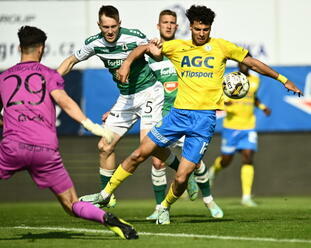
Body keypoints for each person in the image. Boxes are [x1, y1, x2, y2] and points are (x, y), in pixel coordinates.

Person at [90, 5, 302, 224]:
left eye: (206, 29)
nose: (202, 33)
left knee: (182, 177)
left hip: (203, 122)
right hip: (177, 116)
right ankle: (104, 195)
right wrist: (128, 63)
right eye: (198, 29)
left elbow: (251, 63)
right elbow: (143, 49)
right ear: (190, 27)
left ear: (210, 29)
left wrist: (283, 79)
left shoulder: (221, 47)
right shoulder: (177, 47)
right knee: (139, 154)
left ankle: (164, 206)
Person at [0, 26, 138, 240]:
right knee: (72, 203)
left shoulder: (4, 78)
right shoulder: (49, 74)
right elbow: (64, 101)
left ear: (19, 47)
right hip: (45, 150)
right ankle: (106, 219)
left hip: (12, 148)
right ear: (42, 49)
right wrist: (91, 125)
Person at [58, 5, 198, 207]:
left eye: (113, 26)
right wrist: (49, 79)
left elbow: (149, 50)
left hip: (150, 92)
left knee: (147, 146)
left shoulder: (132, 36)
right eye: (105, 27)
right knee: (104, 146)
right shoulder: (94, 43)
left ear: (119, 24)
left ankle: (185, 171)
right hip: (126, 98)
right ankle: (107, 196)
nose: (110, 31)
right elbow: (71, 60)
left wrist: (128, 62)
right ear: (99, 25)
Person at [145, 9, 223, 220]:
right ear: (158, 25)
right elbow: (140, 82)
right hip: (164, 113)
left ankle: (209, 200)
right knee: (156, 160)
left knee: (195, 163)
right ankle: (160, 207)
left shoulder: (183, 49)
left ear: (178, 27)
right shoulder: (152, 53)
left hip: (189, 112)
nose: (169, 26)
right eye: (165, 22)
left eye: (172, 23)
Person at [208, 62, 271, 207]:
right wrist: (225, 105)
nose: (244, 66)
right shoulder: (229, 80)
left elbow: (253, 97)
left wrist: (262, 107)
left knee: (248, 157)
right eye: (241, 63)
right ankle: (213, 170)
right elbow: (219, 99)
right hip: (231, 126)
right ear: (238, 65)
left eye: (246, 63)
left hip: (249, 126)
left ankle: (246, 197)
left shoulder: (255, 80)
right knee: (226, 160)